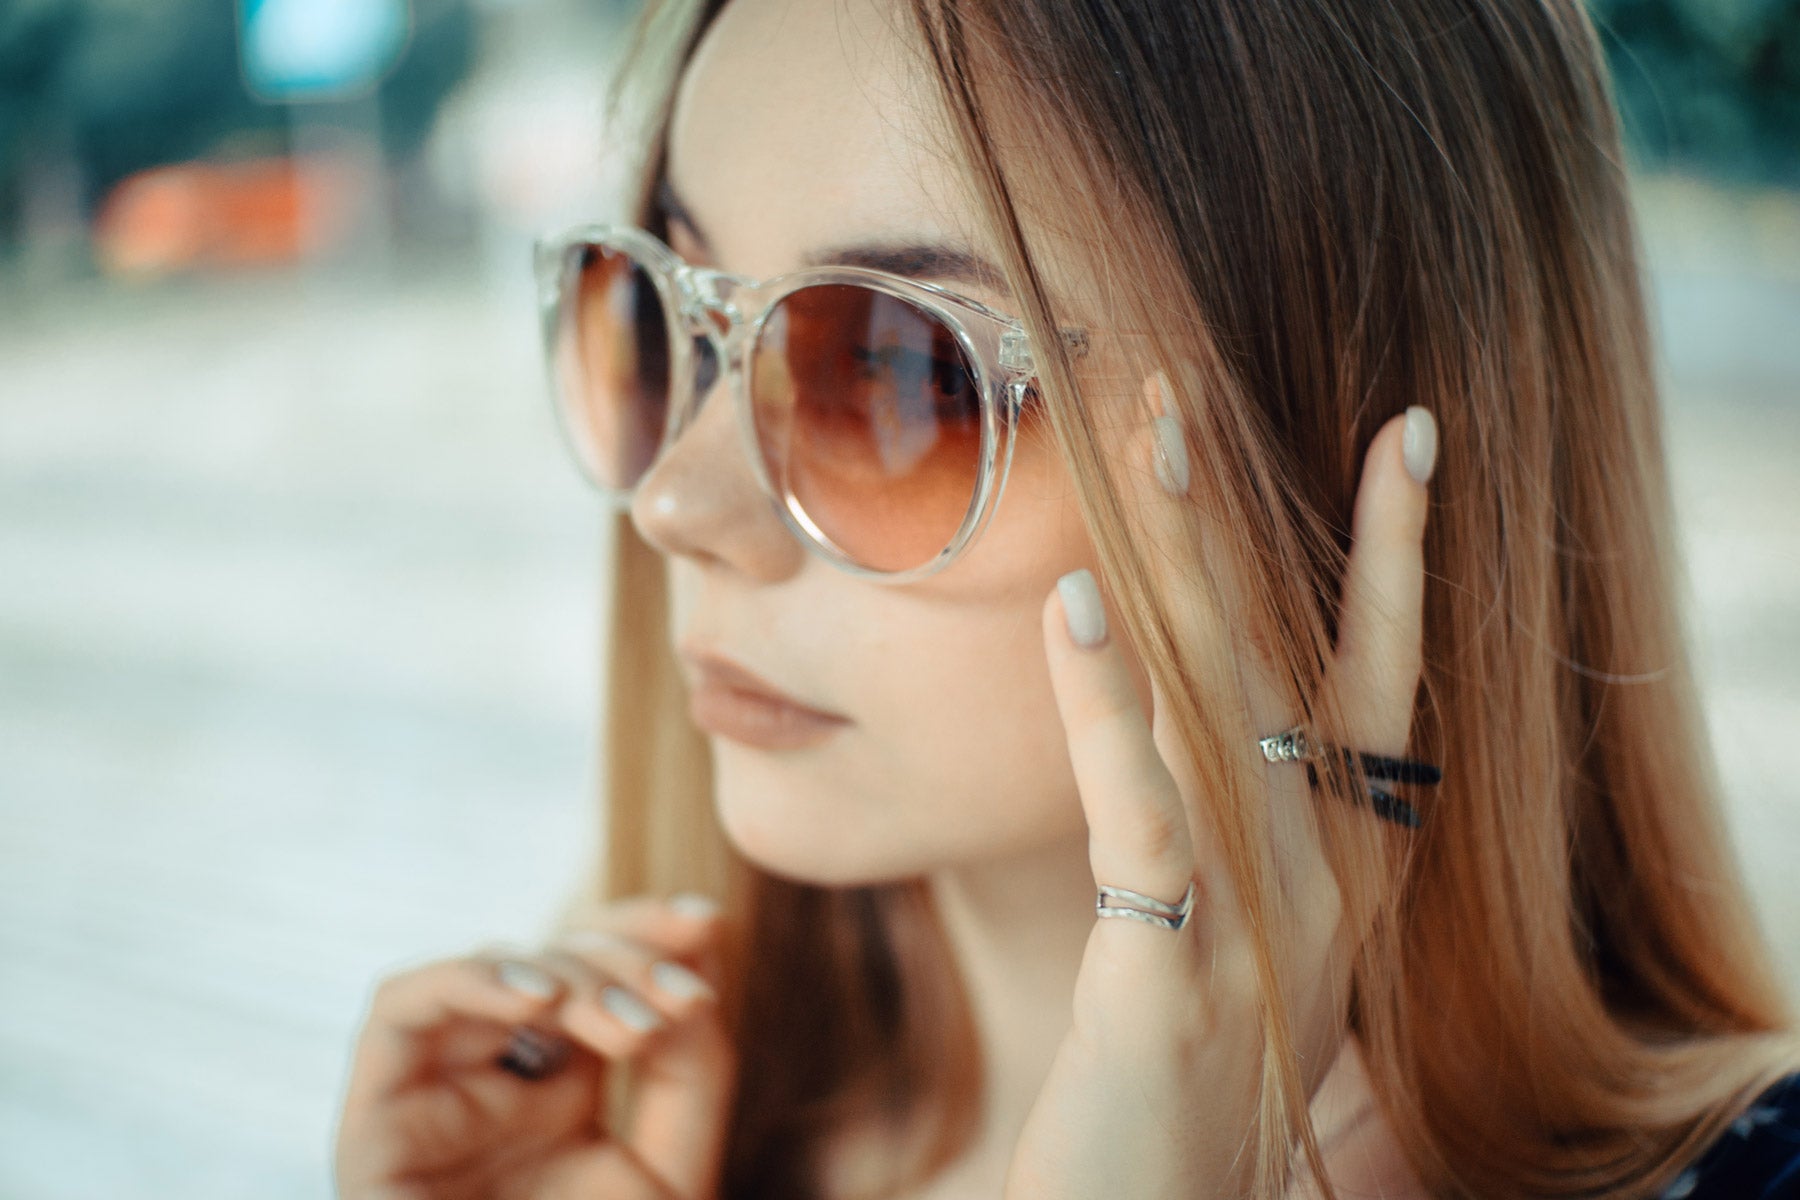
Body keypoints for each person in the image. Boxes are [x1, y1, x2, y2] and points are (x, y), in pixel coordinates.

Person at [331, 0, 1800, 1196]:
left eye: (896, 369)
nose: (677, 506)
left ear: (1339, 462)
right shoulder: (618, 1143)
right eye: (659, 313)